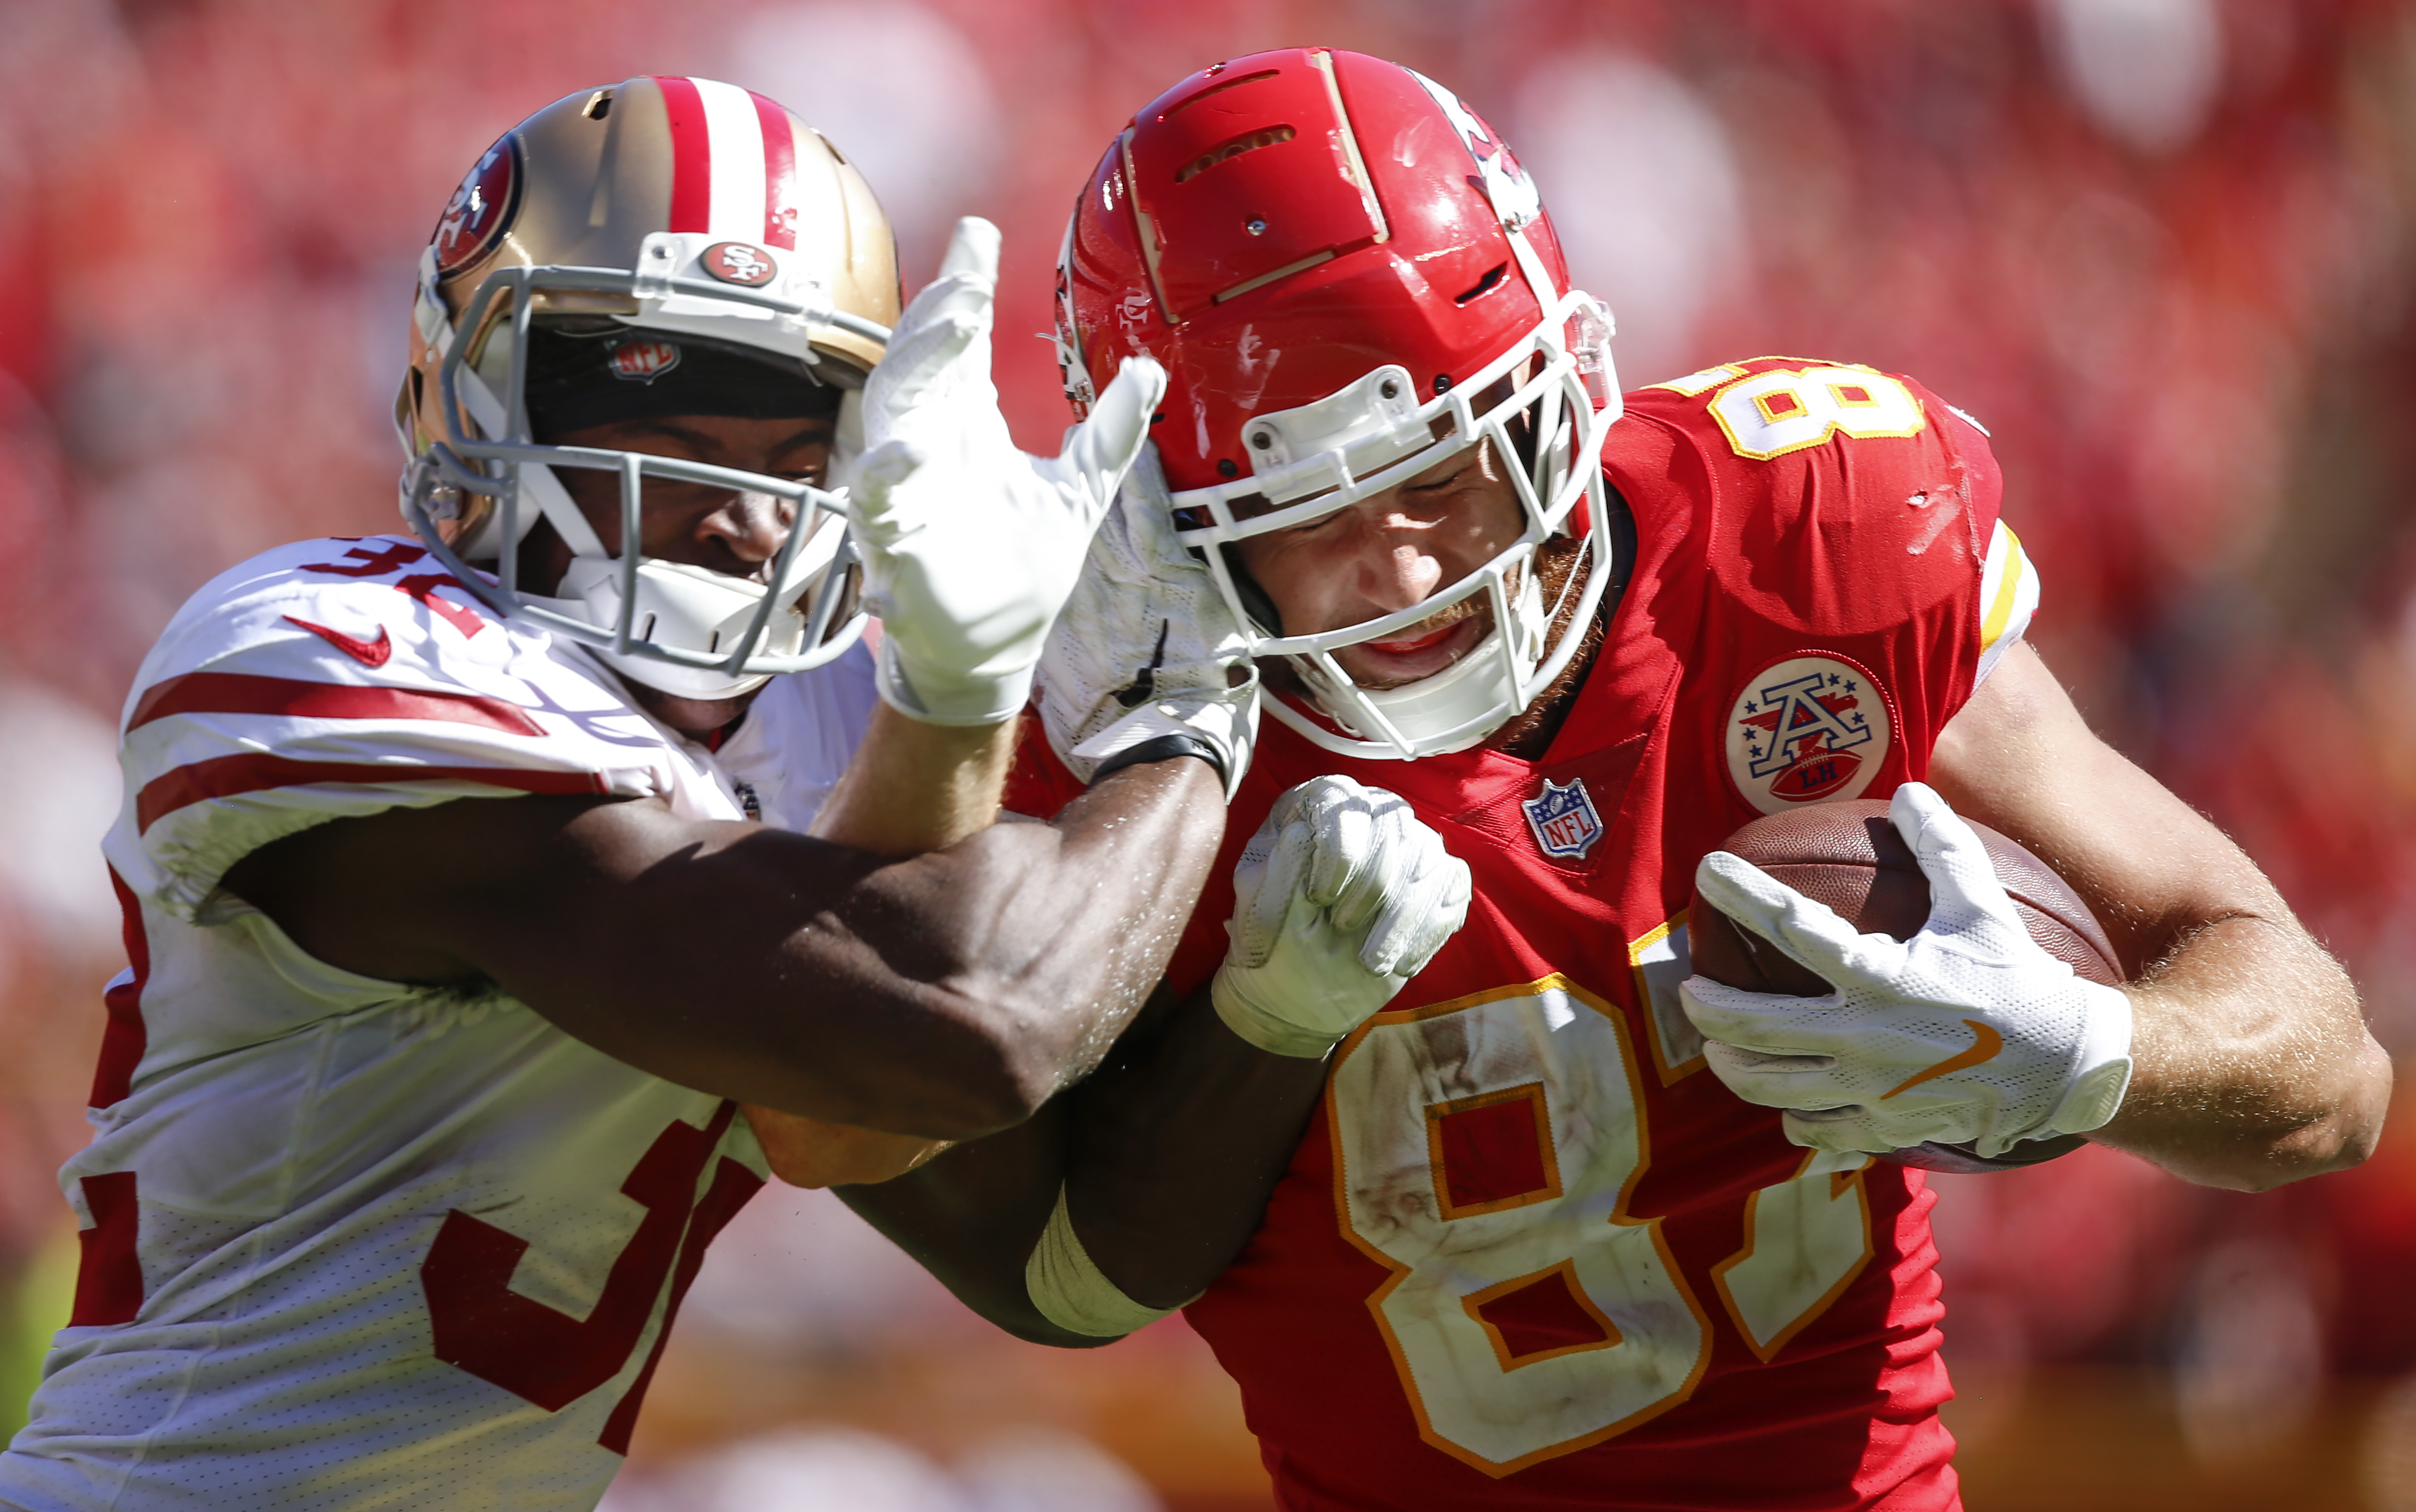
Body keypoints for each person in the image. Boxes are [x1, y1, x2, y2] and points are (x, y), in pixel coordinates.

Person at [838, 49, 2395, 1511]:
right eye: (1300, 518)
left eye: (1443, 467)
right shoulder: (1109, 723)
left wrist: (2081, 1050)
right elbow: (1050, 1264)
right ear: (1167, 513)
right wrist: (1255, 1029)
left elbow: (2328, 1088)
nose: (1401, 565)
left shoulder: (1802, 541)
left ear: (1562, 380)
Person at [0, 73, 1286, 1511]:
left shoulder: (827, 717)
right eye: (669, 432)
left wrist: (1277, 1016)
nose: (746, 516)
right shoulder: (332, 651)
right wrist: (1175, 724)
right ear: (464, 390)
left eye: (801, 449)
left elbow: (1068, 1264)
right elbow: (962, 1023)